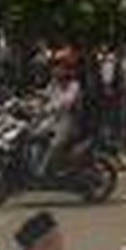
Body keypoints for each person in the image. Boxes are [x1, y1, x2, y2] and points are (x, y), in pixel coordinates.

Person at [35, 48, 83, 177]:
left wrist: (50, 107)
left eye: (59, 66)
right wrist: (31, 102)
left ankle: (46, 171)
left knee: (55, 144)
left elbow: (67, 102)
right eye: (55, 65)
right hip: (54, 120)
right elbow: (45, 96)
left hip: (69, 122)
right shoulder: (54, 83)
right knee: (34, 134)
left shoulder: (74, 85)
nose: (56, 69)